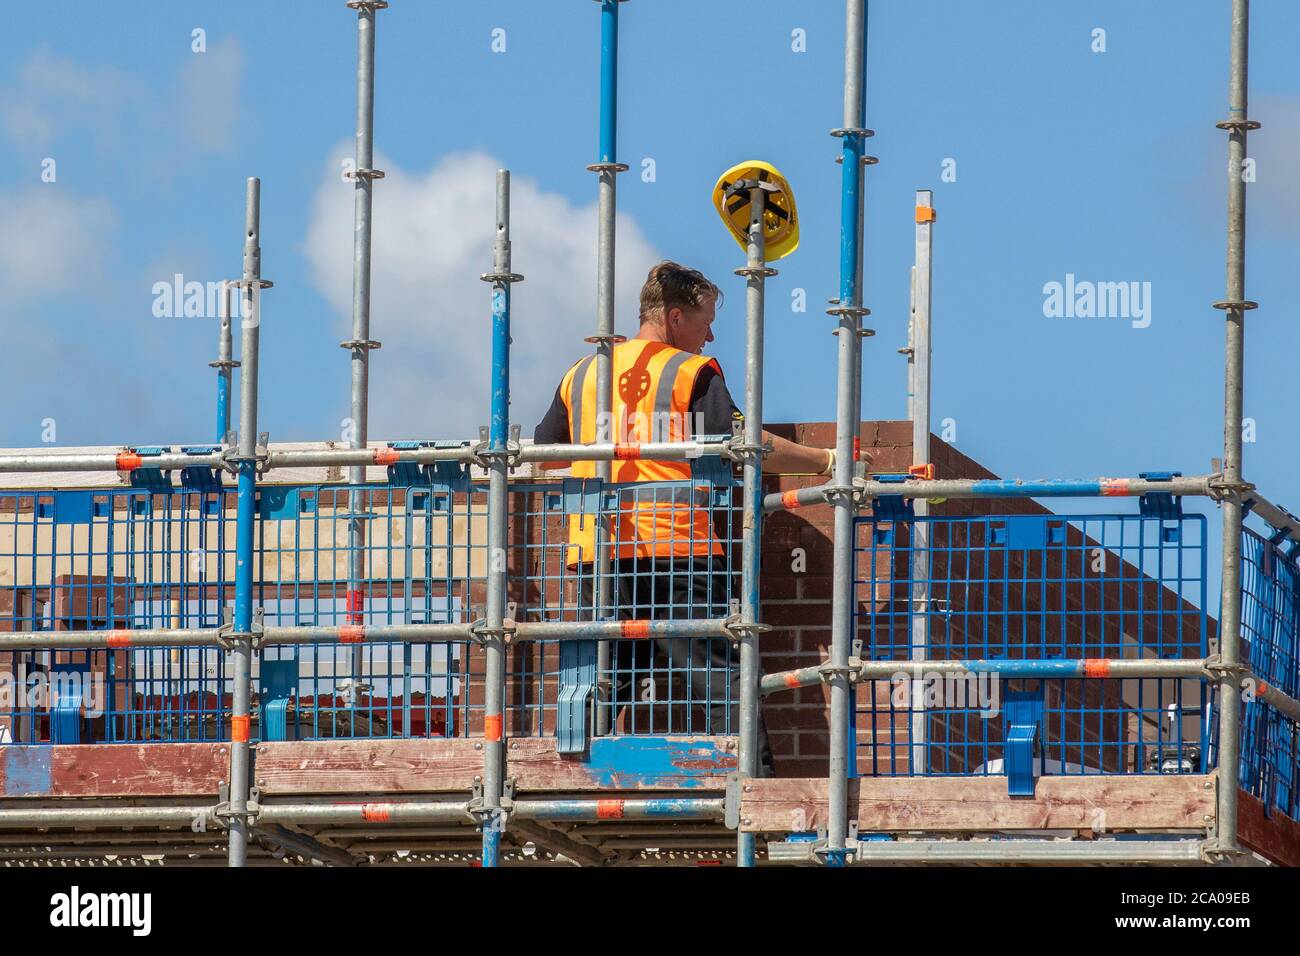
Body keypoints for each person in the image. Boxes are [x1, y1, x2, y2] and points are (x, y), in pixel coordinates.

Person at [533, 261, 837, 777]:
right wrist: (825, 462)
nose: (711, 333)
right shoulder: (690, 372)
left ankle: (575, 790)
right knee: (723, 678)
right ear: (675, 318)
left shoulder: (583, 373)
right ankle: (754, 790)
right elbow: (746, 446)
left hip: (597, 553)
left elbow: (545, 455)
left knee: (604, 682)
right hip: (677, 551)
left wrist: (609, 455)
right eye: (706, 319)